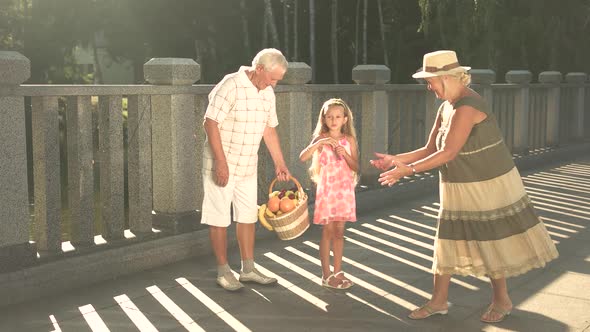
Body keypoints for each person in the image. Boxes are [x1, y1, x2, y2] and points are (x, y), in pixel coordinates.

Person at [371, 50, 558, 323]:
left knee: (488, 238)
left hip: (486, 183)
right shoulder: (447, 106)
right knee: (446, 239)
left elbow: (447, 153)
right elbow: (429, 148)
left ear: (445, 77)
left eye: (430, 81)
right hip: (458, 182)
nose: (428, 86)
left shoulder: (467, 106)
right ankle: (439, 301)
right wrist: (395, 159)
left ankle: (502, 300)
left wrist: (407, 171)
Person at [201, 48, 291, 291]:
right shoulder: (230, 85)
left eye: (277, 80)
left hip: (248, 165)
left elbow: (269, 130)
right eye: (272, 78)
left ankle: (248, 269)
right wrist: (220, 162)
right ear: (259, 68)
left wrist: (280, 163)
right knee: (219, 218)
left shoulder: (267, 93)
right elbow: (210, 123)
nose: (274, 84)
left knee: (248, 216)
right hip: (222, 163)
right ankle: (223, 271)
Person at [299, 98, 359, 289]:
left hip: (345, 189)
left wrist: (345, 154)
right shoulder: (321, 139)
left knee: (340, 231)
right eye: (330, 117)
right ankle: (326, 275)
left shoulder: (349, 140)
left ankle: (338, 270)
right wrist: (320, 143)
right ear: (324, 119)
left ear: (345, 119)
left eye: (338, 117)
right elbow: (303, 157)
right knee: (328, 231)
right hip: (328, 191)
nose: (334, 120)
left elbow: (356, 166)